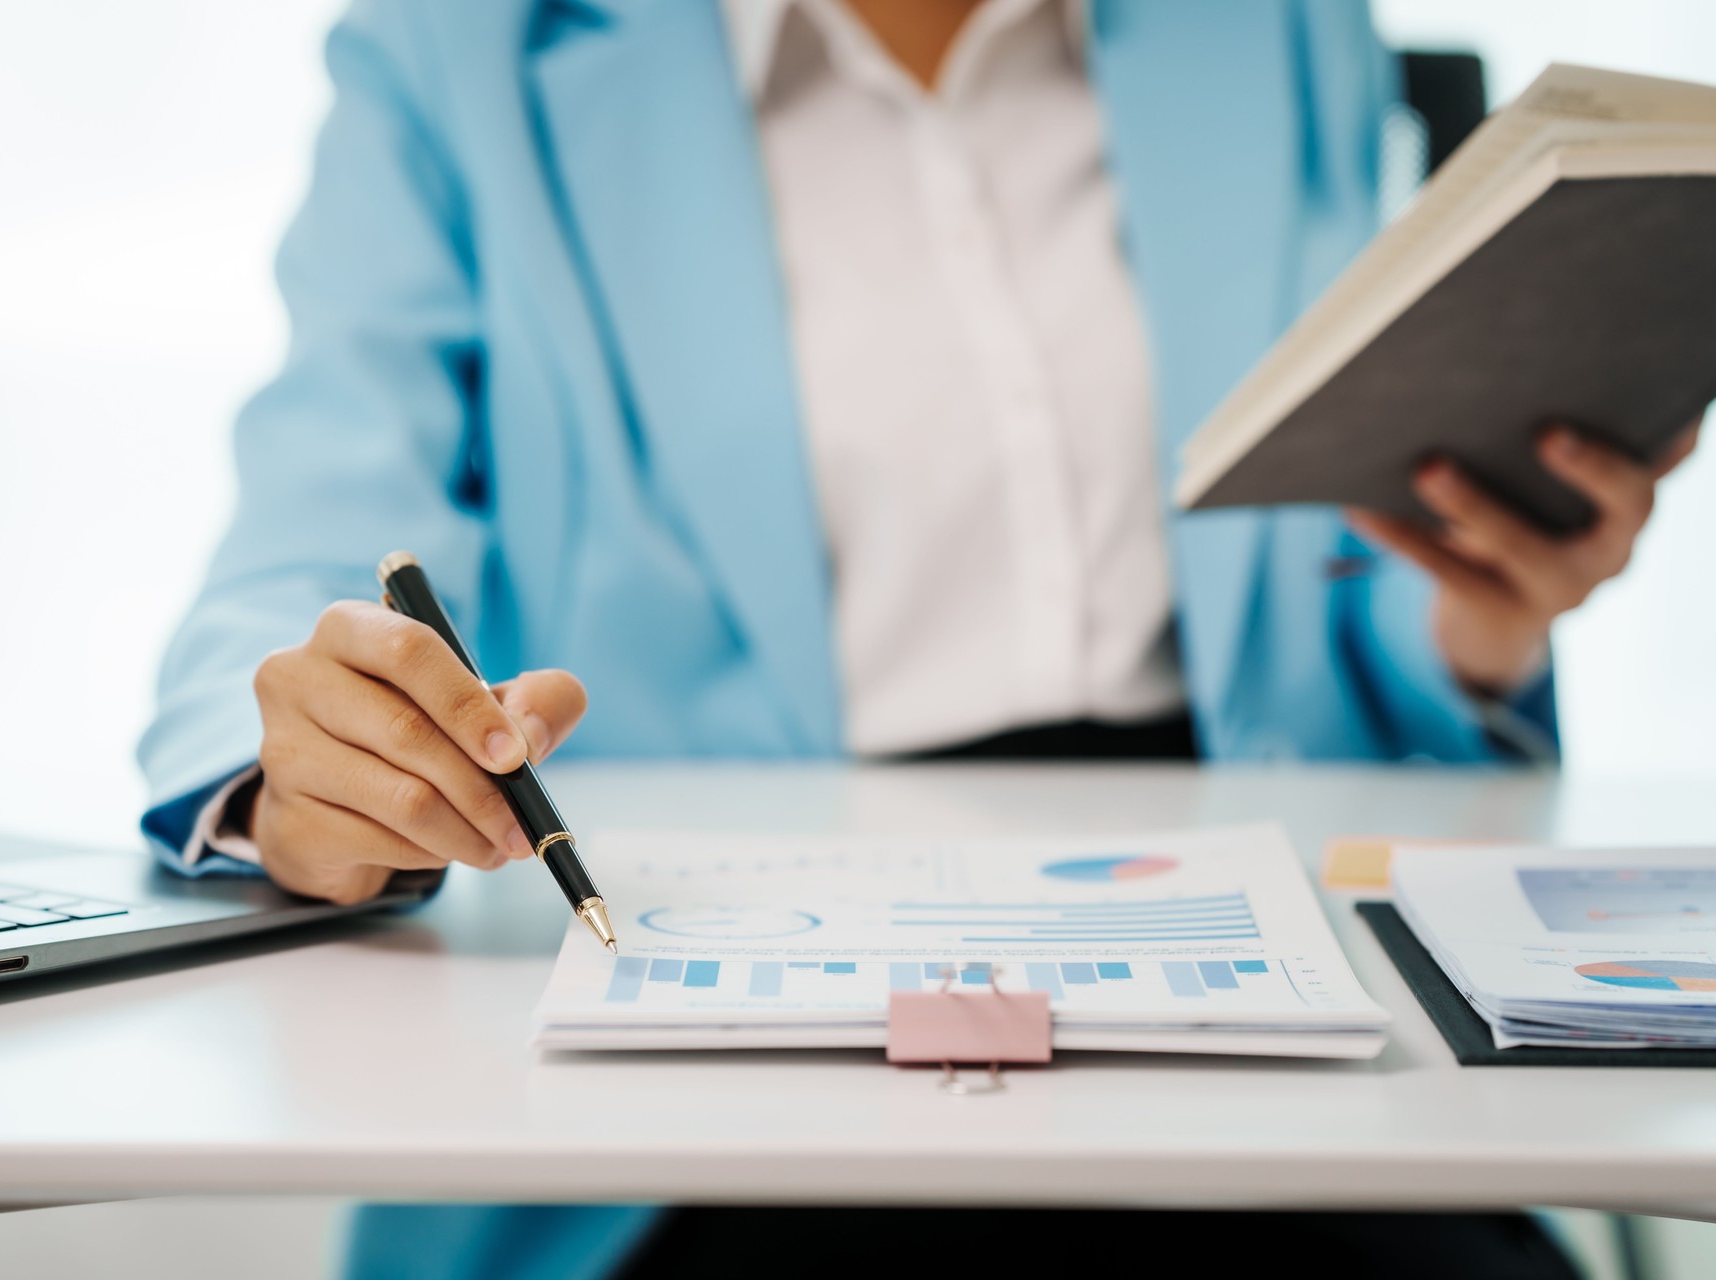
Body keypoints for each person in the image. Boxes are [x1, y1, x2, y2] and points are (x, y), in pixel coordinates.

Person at [138, 1, 1699, 1276]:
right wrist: (311, 762)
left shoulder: (1271, 28)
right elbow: (318, 538)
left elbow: (1333, 586)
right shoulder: (459, 57)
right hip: (714, 1074)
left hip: (1261, 1011)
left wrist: (1469, 620)